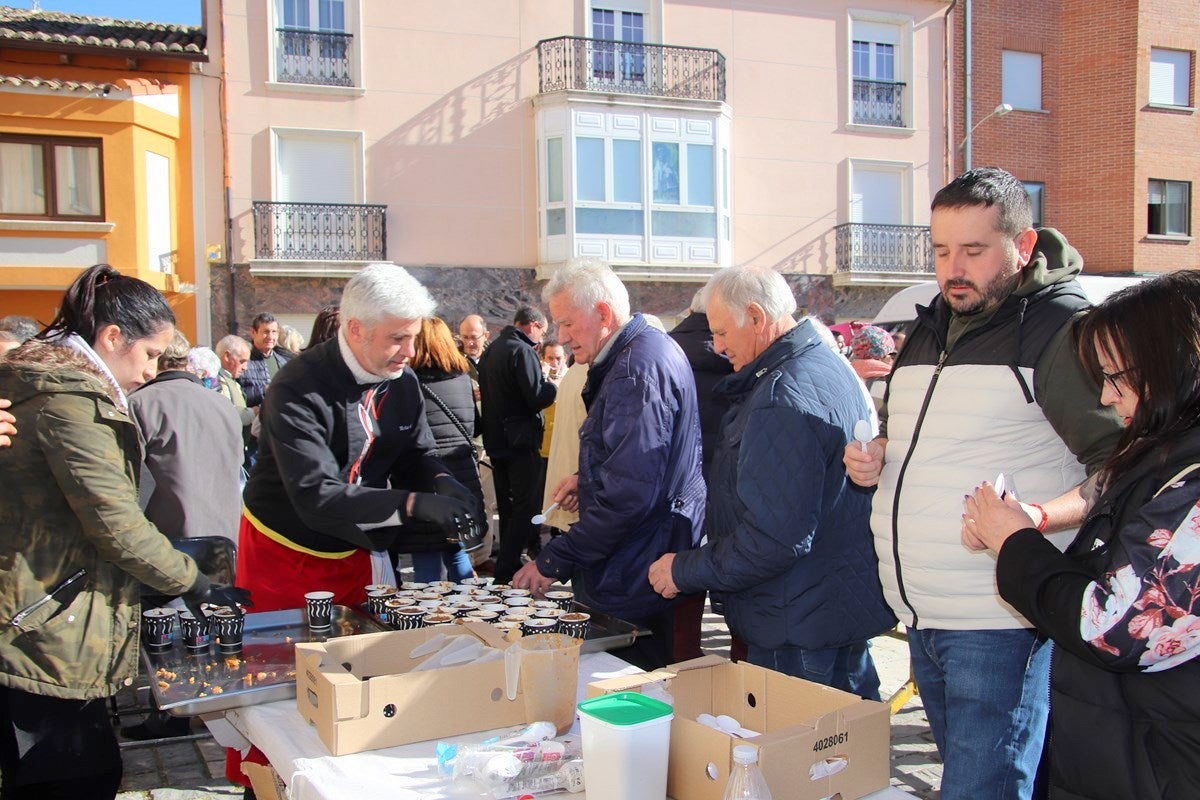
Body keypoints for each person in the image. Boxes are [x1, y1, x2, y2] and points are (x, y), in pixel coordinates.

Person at [843, 167, 1123, 800]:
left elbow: (1120, 468)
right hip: (921, 611)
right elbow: (915, 439)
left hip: (1000, 617)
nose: (953, 268)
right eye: (941, 251)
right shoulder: (929, 324)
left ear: (1022, 249)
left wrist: (1038, 519)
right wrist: (878, 455)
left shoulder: (1062, 329)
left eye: (973, 250)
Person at [0, 264, 247, 800]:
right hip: (45, 626)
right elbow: (114, 521)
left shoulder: (61, 388)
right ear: (113, 337)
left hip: (48, 616)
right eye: (151, 355)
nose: (150, 372)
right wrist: (194, 581)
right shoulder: (68, 398)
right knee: (73, 778)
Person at [230, 263, 478, 789]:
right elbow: (316, 496)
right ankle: (272, 779)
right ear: (354, 328)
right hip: (286, 550)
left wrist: (442, 482)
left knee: (362, 668)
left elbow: (416, 449)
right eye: (397, 339)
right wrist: (411, 504)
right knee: (282, 683)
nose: (409, 352)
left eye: (413, 338)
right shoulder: (296, 387)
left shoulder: (403, 380)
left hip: (359, 547)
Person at [963, 271, 1200, 800]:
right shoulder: (1164, 439)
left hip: (1161, 763)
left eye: (1119, 377)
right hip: (1123, 746)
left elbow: (1115, 629)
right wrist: (1034, 517)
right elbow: (1107, 489)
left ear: (1177, 367)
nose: (1106, 395)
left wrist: (1015, 543)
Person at [649, 267, 895, 697]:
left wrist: (685, 569)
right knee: (844, 751)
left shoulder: (780, 397)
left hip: (795, 625)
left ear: (758, 318)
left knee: (801, 758)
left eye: (723, 332)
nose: (718, 346)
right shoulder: (824, 362)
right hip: (827, 609)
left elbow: (774, 539)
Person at [512, 258, 705, 670]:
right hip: (645, 554)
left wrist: (552, 560)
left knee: (628, 688)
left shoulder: (633, 371)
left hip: (634, 567)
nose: (561, 338)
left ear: (602, 313)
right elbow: (641, 462)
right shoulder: (645, 351)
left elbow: (629, 495)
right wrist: (590, 476)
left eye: (567, 323)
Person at [127, 331, 243, 543]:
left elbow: (133, 486)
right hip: (227, 538)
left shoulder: (139, 403)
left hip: (172, 545)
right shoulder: (223, 404)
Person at [478, 306, 557, 584]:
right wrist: (551, 384)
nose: (542, 336)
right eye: (543, 331)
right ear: (533, 326)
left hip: (497, 440)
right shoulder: (522, 351)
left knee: (508, 506)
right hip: (520, 440)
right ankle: (508, 566)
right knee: (525, 505)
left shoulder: (492, 349)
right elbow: (537, 396)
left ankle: (508, 564)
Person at [407, 317, 485, 583]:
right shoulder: (463, 378)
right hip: (462, 477)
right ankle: (469, 615)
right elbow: (475, 427)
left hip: (427, 480)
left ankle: (427, 621)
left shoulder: (408, 381)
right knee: (455, 547)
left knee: (426, 559)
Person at [237, 312, 295, 409]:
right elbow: (236, 395)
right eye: (266, 332)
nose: (270, 337)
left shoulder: (284, 361)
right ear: (253, 332)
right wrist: (264, 390)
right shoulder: (243, 361)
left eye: (274, 332)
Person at [848, 324, 896, 415]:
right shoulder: (889, 379)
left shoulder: (845, 373)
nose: (892, 358)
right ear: (884, 354)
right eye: (891, 354)